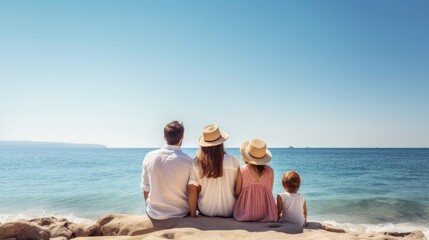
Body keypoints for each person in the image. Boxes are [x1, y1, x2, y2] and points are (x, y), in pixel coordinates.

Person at [140, 121, 193, 219]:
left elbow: (145, 187)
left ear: (164, 137)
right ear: (182, 138)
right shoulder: (189, 161)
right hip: (180, 214)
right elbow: (192, 190)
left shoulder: (149, 156)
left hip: (154, 214)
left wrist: (150, 208)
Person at [188, 124, 240, 217]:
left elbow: (192, 190)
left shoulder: (197, 162)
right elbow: (239, 190)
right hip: (230, 211)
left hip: (206, 211)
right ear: (221, 144)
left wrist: (193, 216)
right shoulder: (233, 160)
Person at [233, 138, 277, 222]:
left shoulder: (242, 170)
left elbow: (237, 192)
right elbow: (270, 190)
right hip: (267, 213)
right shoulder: (270, 171)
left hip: (246, 213)